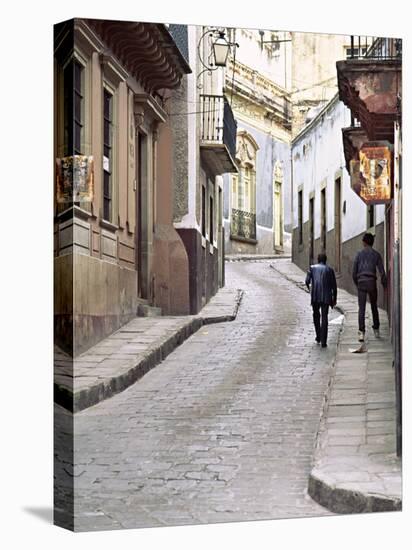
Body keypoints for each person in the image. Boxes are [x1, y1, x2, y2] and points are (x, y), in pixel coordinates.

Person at [352, 232, 387, 342]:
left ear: (364, 242)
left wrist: (357, 283)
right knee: (374, 306)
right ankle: (376, 328)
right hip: (372, 282)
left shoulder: (359, 254)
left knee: (361, 308)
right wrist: (384, 283)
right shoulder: (376, 254)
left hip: (361, 282)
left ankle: (361, 333)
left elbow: (354, 272)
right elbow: (382, 271)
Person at [305, 253, 337, 348]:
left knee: (316, 315)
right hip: (326, 297)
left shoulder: (312, 268)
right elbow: (334, 287)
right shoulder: (330, 270)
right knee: (324, 317)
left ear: (318, 259)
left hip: (315, 296)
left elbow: (307, 281)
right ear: (325, 260)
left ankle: (318, 336)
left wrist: (310, 290)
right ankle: (324, 341)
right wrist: (334, 299)